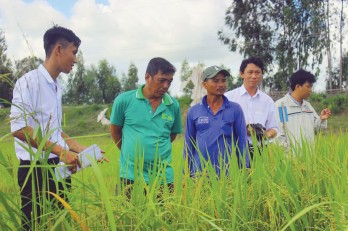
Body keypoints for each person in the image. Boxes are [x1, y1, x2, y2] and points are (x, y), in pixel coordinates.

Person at [10, 25, 86, 230]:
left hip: (59, 167)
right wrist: (62, 152)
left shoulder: (56, 85)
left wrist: (78, 148)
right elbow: (19, 128)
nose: (76, 59)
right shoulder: (28, 83)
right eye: (74, 52)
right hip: (35, 170)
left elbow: (54, 128)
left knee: (60, 224)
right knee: (34, 225)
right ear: (58, 49)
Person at [110, 57, 182, 198]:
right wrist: (130, 152)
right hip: (130, 175)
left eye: (170, 81)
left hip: (163, 177)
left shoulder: (173, 105)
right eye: (162, 80)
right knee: (129, 217)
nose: (166, 86)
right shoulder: (124, 101)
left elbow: (171, 136)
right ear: (147, 77)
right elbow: (115, 131)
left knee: (166, 217)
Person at [184, 66, 249, 177]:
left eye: (223, 80)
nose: (221, 84)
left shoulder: (235, 109)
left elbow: (242, 142)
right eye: (215, 81)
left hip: (227, 176)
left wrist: (246, 170)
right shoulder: (194, 111)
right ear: (204, 84)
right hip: (199, 175)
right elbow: (189, 145)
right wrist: (185, 174)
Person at [225, 57, 278, 158]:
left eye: (257, 72)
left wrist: (262, 134)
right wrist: (242, 129)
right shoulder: (228, 98)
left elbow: (274, 129)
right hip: (235, 150)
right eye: (250, 72)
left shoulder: (267, 101)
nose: (254, 76)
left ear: (262, 74)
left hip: (261, 151)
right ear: (241, 74)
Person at [275, 69, 331, 148]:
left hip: (309, 157)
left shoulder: (308, 106)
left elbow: (316, 130)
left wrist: (321, 119)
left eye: (311, 87)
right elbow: (278, 135)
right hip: (290, 158)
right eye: (308, 86)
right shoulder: (281, 106)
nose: (310, 90)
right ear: (298, 86)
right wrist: (288, 156)